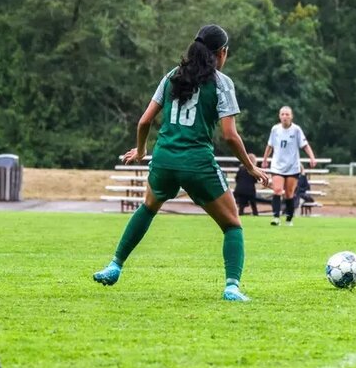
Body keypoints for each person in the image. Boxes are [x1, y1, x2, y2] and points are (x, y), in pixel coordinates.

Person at [92, 25, 270, 301]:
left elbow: (144, 121)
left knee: (149, 207)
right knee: (232, 225)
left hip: (164, 159)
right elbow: (230, 135)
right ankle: (232, 287)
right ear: (221, 53)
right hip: (197, 162)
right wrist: (250, 166)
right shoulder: (222, 83)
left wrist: (141, 151)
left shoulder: (172, 76)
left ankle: (115, 265)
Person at [262, 106, 317, 226]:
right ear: (279, 116)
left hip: (292, 166)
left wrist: (312, 157)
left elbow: (305, 145)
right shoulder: (275, 129)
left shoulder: (296, 130)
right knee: (277, 190)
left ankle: (289, 218)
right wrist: (265, 159)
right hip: (277, 165)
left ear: (291, 116)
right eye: (282, 114)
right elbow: (269, 145)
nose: (285, 117)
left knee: (289, 194)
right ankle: (276, 217)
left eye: (287, 114)